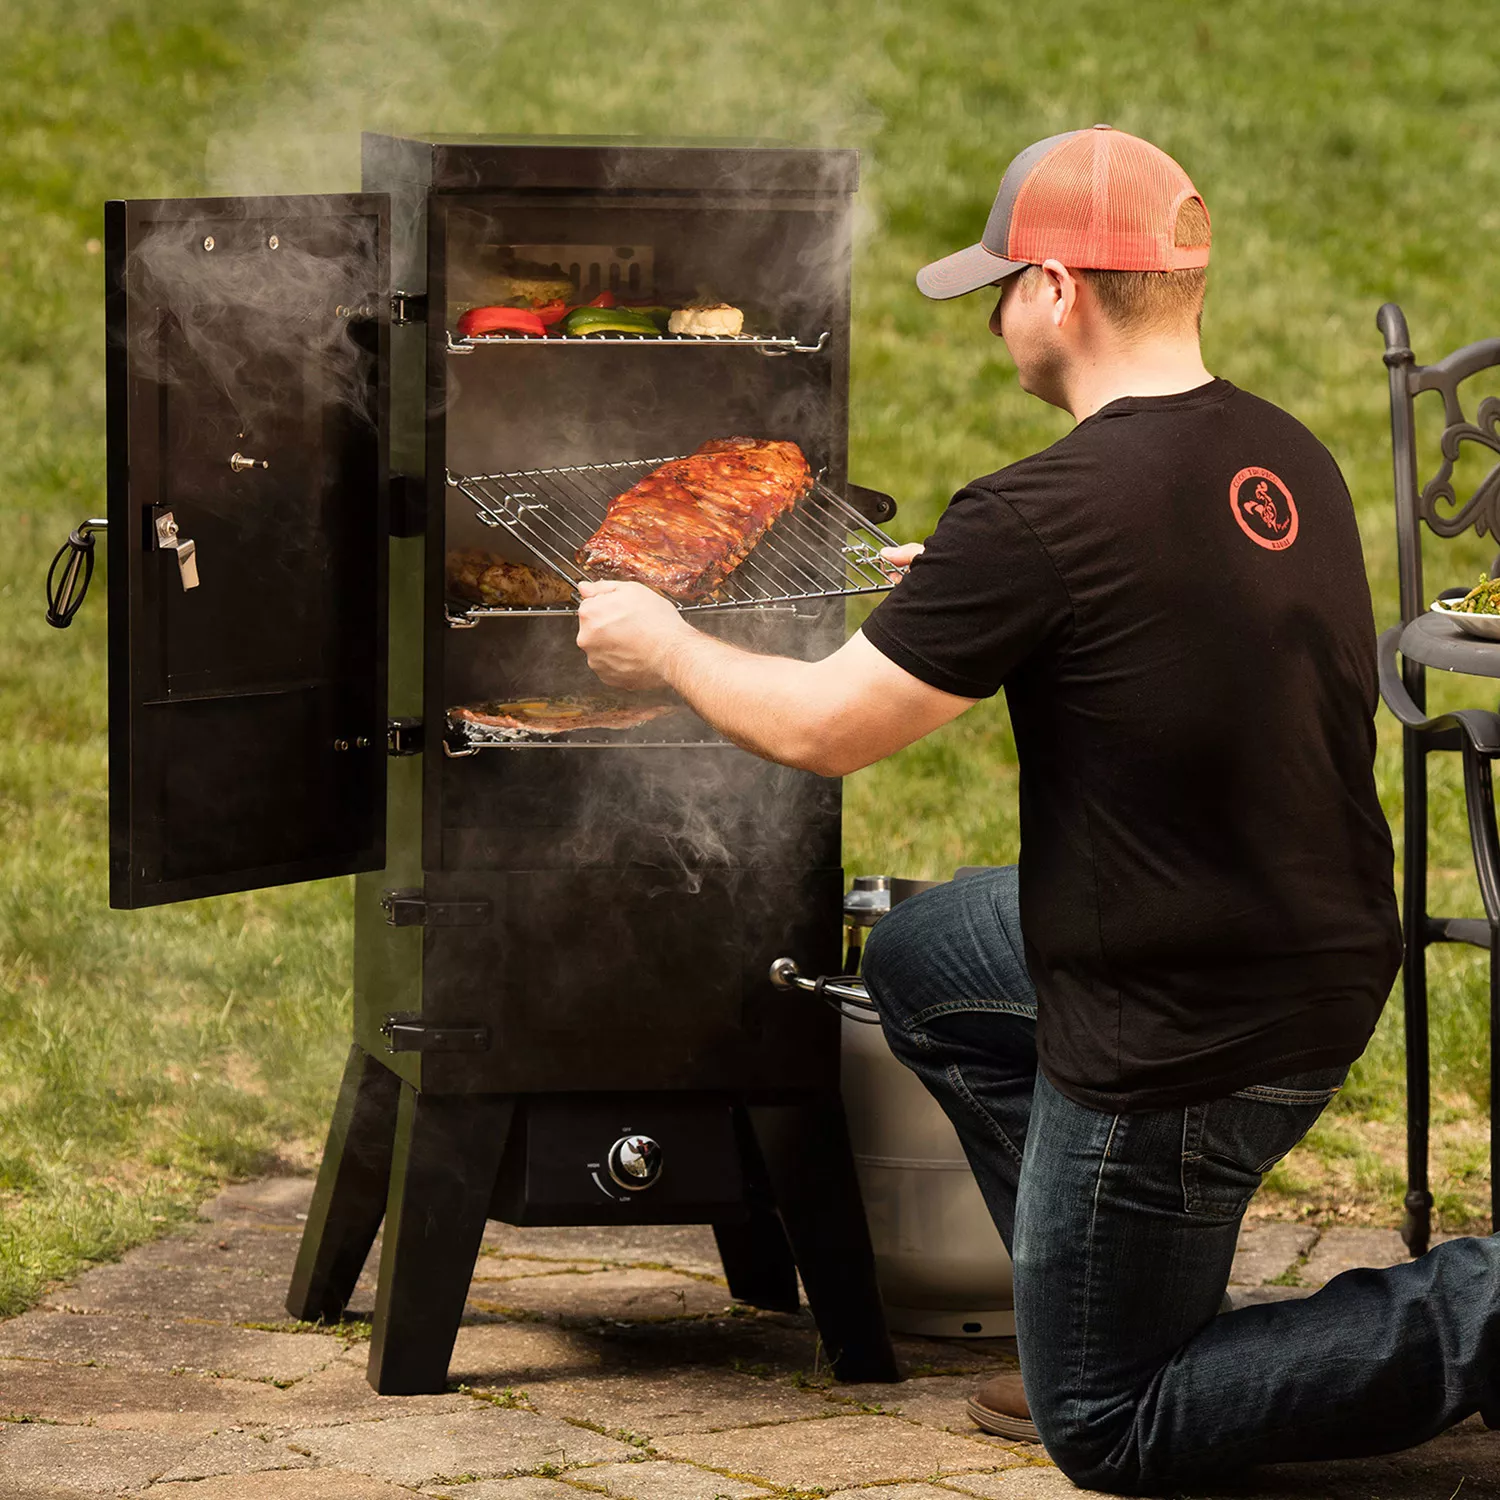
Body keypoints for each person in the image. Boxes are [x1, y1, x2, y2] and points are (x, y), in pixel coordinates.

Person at [575, 125, 1500, 1492]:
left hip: (1181, 1027)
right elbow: (1150, 603)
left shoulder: (1037, 513)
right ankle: (1107, 1295)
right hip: (1310, 946)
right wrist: (967, 582)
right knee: (919, 957)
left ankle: (1467, 1313)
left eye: (1000, 287)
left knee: (1110, 1427)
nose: (994, 317)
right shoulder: (1276, 451)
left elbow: (824, 730)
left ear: (1059, 288)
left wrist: (661, 645)